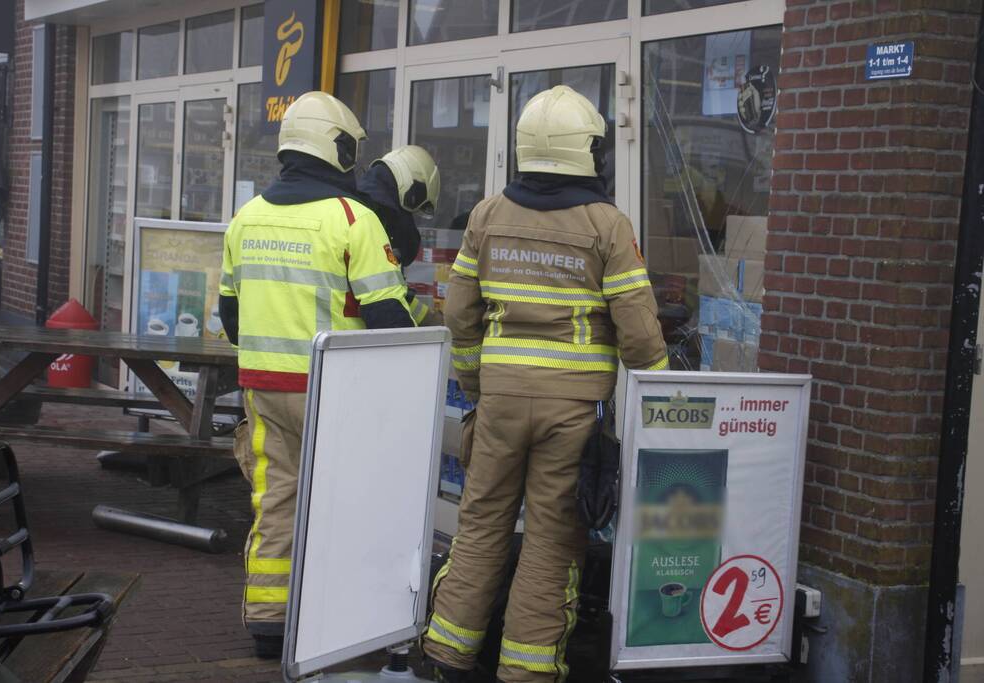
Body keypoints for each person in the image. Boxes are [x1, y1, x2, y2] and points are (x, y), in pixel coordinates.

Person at [422, 85, 669, 683]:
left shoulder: (486, 215)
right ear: (587, 151)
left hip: (501, 401)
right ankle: (527, 670)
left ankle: (444, 655)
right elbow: (637, 334)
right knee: (554, 541)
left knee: (480, 525)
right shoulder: (608, 225)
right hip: (573, 413)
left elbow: (459, 313)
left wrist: (476, 381)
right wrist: (663, 394)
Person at [219, 91, 414, 658]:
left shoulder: (245, 218)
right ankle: (345, 621)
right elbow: (389, 319)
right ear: (337, 147)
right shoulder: (354, 219)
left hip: (262, 390)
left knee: (275, 498)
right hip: (334, 394)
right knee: (349, 502)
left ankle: (268, 622)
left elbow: (230, 316)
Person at [358, 144, 443, 326]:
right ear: (411, 190)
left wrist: (430, 321)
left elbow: (392, 291)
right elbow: (385, 307)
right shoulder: (371, 220)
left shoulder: (359, 206)